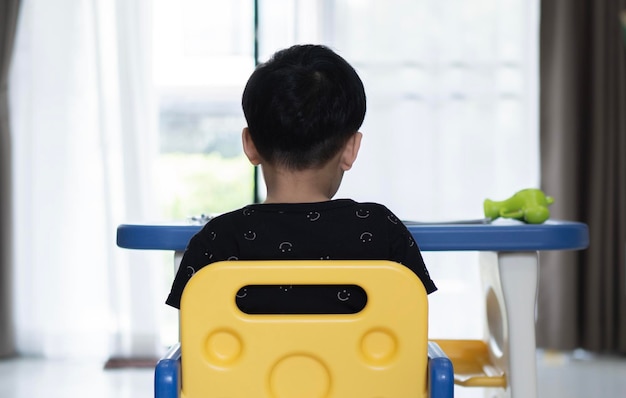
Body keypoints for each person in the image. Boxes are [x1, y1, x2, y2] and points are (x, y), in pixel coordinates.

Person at [165, 44, 436, 311]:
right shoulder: (382, 231)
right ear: (351, 149)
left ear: (250, 144)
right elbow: (410, 331)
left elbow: (194, 344)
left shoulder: (217, 240)